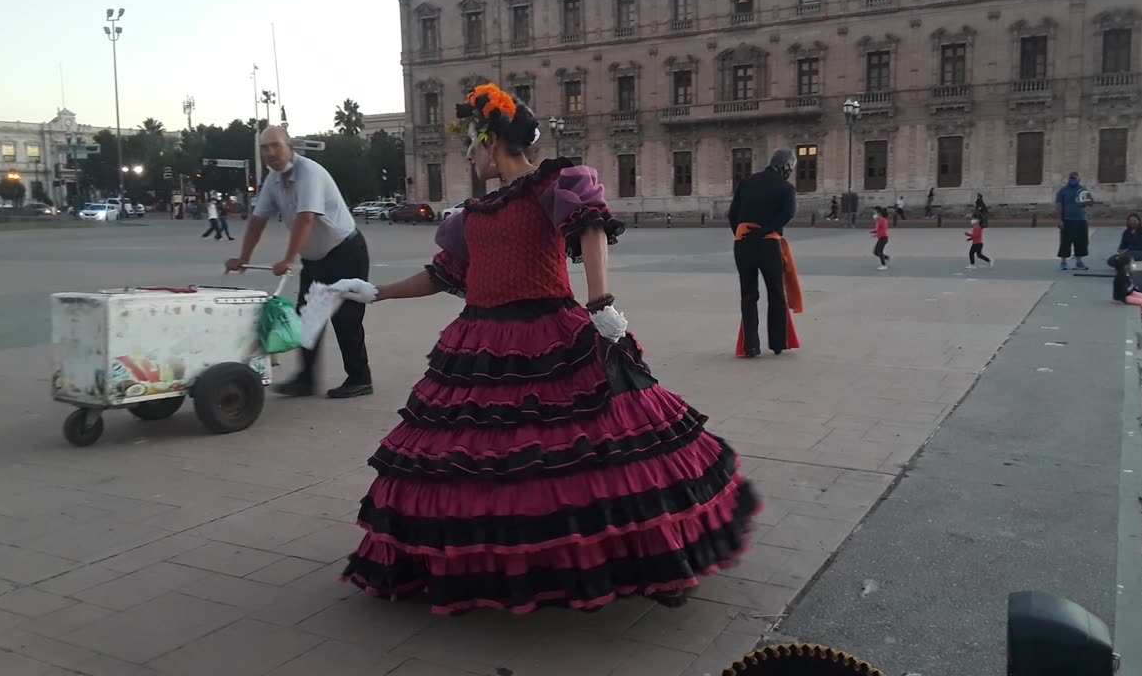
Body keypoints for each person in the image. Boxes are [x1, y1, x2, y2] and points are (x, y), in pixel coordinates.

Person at [334, 84, 760, 614]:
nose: (467, 154)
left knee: (602, 449)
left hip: (551, 335)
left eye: (472, 143)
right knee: (484, 460)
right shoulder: (473, 214)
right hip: (482, 344)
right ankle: (512, 561)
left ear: (492, 142)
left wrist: (601, 301)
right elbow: (444, 275)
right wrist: (375, 292)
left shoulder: (550, 184)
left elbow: (590, 228)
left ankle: (654, 563)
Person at [225, 125, 373, 399]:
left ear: (289, 147)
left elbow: (306, 218)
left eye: (275, 146)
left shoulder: (310, 173)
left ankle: (360, 378)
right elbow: (258, 220)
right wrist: (244, 258)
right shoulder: (273, 179)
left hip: (346, 252)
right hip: (316, 258)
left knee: (346, 319)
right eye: (264, 148)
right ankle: (306, 380)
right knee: (307, 317)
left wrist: (289, 259)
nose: (270, 153)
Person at [727, 149, 804, 358]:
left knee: (749, 294)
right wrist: (765, 230)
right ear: (785, 166)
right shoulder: (786, 188)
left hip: (743, 244)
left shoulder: (747, 183)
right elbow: (787, 214)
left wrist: (742, 234)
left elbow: (732, 214)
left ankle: (751, 345)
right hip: (769, 244)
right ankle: (778, 343)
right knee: (776, 293)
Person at [1055, 172, 1090, 271]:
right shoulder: (1063, 191)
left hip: (1081, 219)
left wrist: (1086, 215)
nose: (1072, 180)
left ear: (1079, 179)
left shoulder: (1083, 189)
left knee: (1081, 242)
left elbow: (1087, 203)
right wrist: (1059, 219)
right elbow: (1059, 206)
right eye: (1071, 178)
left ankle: (1079, 262)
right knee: (1065, 242)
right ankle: (1063, 262)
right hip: (1067, 220)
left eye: (1074, 178)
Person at [1113, 251, 1142, 319]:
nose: (1133, 265)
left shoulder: (1127, 274)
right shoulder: (1121, 277)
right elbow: (1123, 291)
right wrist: (1131, 292)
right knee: (1141, 301)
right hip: (1123, 297)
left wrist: (1136, 290)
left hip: (1130, 293)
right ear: (1126, 266)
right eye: (1131, 264)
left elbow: (1131, 286)